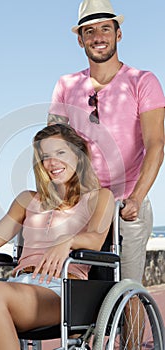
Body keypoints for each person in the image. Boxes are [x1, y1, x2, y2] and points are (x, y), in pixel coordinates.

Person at [0, 124, 115, 350]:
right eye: (45, 156)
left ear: (78, 156)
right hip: (20, 285)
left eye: (60, 153)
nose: (52, 162)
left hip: (63, 290)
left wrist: (68, 241)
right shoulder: (27, 200)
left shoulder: (100, 197)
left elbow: (96, 239)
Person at [48, 0, 165, 284]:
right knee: (77, 294)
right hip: (81, 205)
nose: (98, 37)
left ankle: (134, 327)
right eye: (89, 31)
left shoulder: (143, 81)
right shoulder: (66, 84)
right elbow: (52, 145)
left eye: (105, 29)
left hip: (126, 204)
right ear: (80, 39)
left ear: (118, 34)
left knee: (127, 290)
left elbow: (156, 144)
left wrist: (136, 197)